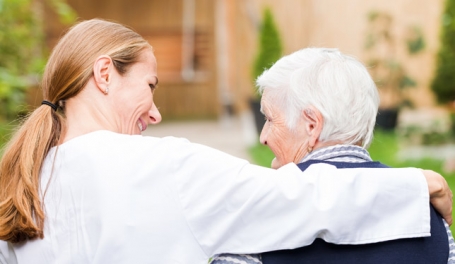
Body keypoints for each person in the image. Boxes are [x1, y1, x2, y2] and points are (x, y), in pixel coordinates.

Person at [0, 20, 451, 264]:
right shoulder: (160, 167)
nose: (155, 113)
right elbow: (301, 197)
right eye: (150, 85)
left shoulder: (20, 188)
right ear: (104, 74)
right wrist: (419, 184)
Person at [210, 48, 455, 264]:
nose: (263, 137)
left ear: (311, 125)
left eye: (270, 119)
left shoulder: (257, 214)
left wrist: (273, 192)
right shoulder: (427, 211)